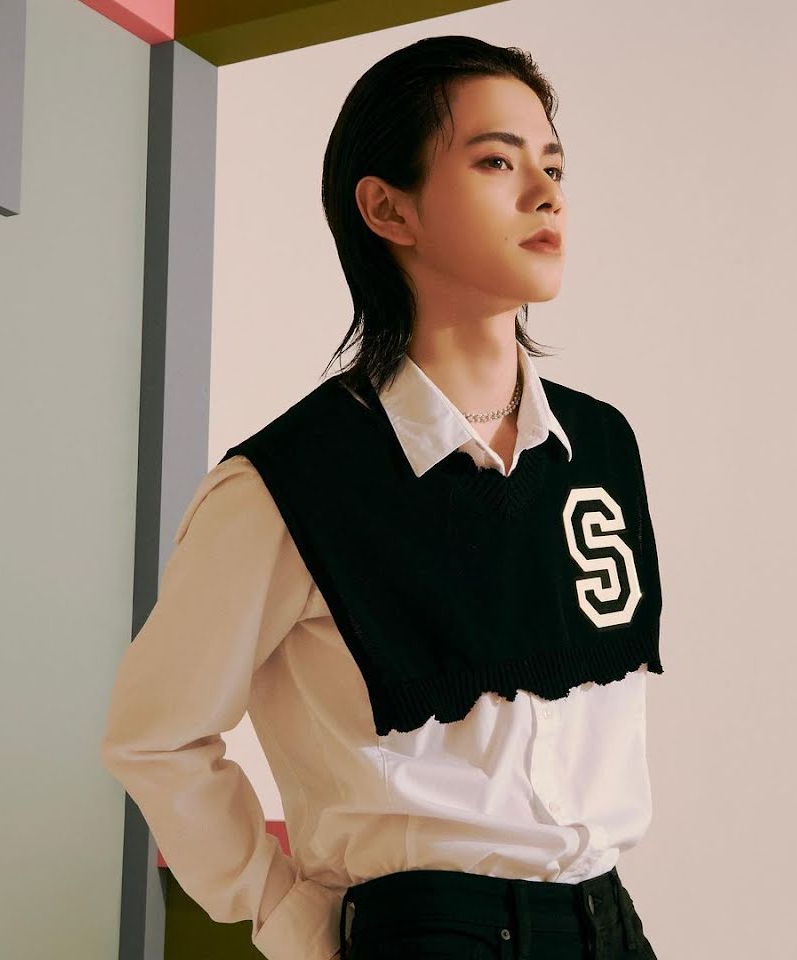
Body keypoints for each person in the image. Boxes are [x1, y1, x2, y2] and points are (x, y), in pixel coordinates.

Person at [100, 34, 662, 960]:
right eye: (497, 161)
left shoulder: (601, 445)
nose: (546, 193)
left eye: (554, 165)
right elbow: (154, 736)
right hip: (431, 931)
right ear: (388, 208)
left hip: (609, 922)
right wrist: (288, 917)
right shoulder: (290, 483)